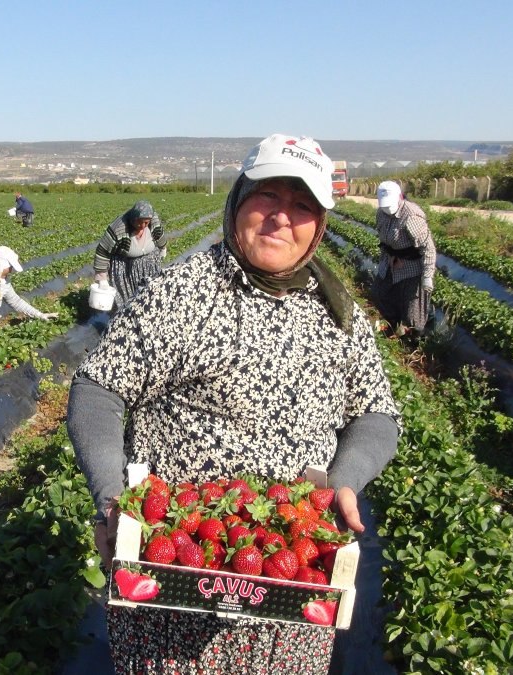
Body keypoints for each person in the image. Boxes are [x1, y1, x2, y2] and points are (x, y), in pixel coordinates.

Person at [67, 134, 401, 674]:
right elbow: (98, 388)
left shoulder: (339, 315)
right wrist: (113, 500)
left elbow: (376, 413)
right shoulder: (182, 294)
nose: (281, 217)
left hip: (289, 597)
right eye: (267, 196)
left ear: (319, 225)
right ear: (238, 201)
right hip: (171, 585)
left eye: (302, 206)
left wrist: (345, 480)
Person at [371, 180, 436, 336]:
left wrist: (427, 276)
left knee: (413, 313)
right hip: (390, 263)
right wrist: (390, 257)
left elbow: (428, 248)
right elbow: (385, 241)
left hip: (411, 268)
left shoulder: (411, 215)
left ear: (400, 196)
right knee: (380, 295)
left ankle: (417, 339)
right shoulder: (381, 213)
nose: (387, 209)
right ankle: (393, 326)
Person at [92, 200, 168, 308]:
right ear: (132, 218)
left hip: (149, 264)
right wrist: (102, 277)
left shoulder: (153, 220)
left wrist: (163, 247)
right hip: (125, 267)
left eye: (146, 223)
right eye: (139, 222)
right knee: (128, 299)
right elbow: (103, 251)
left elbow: (159, 234)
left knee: (150, 294)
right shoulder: (118, 228)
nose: (142, 225)